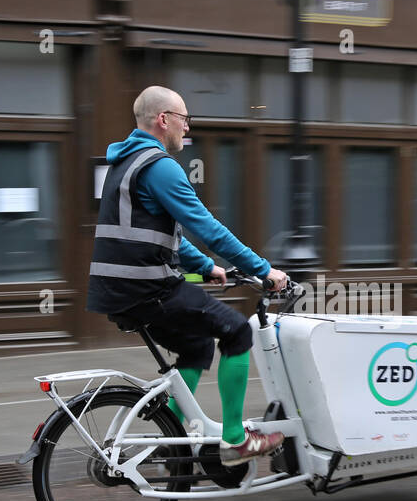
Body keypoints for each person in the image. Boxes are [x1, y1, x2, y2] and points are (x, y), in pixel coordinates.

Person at [87, 85, 288, 465]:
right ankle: (235, 439)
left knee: (196, 345)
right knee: (237, 330)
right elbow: (206, 227)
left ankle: (171, 436)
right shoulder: (160, 167)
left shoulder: (124, 163)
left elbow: (167, 234)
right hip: (147, 287)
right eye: (184, 119)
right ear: (163, 120)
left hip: (118, 289)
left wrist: (204, 267)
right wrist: (264, 270)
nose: (187, 129)